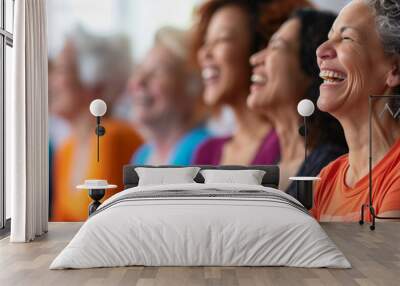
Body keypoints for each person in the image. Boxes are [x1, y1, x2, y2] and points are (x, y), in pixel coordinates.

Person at [192, 0, 312, 165]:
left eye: (222, 39)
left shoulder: (288, 145)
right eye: (206, 41)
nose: (204, 53)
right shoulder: (206, 152)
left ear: (261, 48)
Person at [313, 0, 400, 222]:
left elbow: (379, 256)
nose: (321, 50)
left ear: (395, 70)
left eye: (346, 38)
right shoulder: (327, 177)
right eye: (329, 36)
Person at [248, 9, 347, 194]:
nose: (255, 59)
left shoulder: (330, 166)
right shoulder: (269, 163)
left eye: (276, 46)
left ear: (313, 69)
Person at [50, 27, 143, 221]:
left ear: (93, 82)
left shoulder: (115, 137)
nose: (51, 81)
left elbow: (109, 223)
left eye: (62, 70)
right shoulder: (66, 148)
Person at [128, 26, 211, 165]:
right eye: (139, 69)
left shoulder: (204, 150)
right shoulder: (142, 155)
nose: (138, 81)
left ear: (192, 87)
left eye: (157, 72)